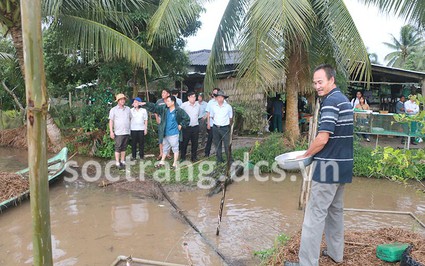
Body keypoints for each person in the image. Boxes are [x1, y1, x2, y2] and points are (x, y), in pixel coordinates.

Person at [285, 64, 354, 266]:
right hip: (342, 167)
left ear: (331, 80)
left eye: (320, 82)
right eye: (315, 82)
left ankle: (306, 263)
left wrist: (304, 155)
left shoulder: (331, 102)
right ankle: (335, 253)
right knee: (335, 213)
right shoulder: (343, 100)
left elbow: (323, 138)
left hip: (327, 169)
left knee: (313, 217)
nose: (317, 86)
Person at [140, 96, 189, 168]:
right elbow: (155, 107)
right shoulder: (164, 109)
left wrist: (181, 125)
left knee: (175, 148)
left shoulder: (178, 110)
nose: (167, 102)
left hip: (174, 133)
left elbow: (187, 118)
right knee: (165, 148)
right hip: (165, 133)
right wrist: (145, 104)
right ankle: (162, 161)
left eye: (168, 101)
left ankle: (175, 163)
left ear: (173, 102)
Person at [209, 90, 233, 164]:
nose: (220, 99)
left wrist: (227, 125)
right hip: (216, 127)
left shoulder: (228, 107)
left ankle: (230, 160)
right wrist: (217, 123)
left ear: (224, 98)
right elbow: (212, 116)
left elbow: (230, 117)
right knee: (217, 144)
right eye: (218, 97)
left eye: (222, 97)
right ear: (216, 98)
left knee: (227, 145)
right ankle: (219, 160)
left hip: (225, 128)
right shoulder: (213, 107)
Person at [109, 93, 131, 169]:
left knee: (124, 147)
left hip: (126, 131)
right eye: (121, 99)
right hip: (118, 132)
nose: (122, 101)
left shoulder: (128, 109)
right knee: (118, 147)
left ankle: (122, 161)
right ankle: (117, 162)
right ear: (118, 101)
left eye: (123, 99)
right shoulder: (113, 110)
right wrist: (111, 131)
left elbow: (130, 118)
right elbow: (111, 121)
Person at [180, 91, 201, 162]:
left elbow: (198, 115)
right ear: (188, 97)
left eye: (194, 97)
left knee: (195, 143)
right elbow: (180, 115)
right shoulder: (184, 105)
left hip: (195, 126)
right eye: (191, 97)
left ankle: (194, 157)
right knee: (184, 143)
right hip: (186, 127)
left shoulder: (198, 105)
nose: (193, 98)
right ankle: (183, 157)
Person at [155, 89, 171, 160]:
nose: (162, 94)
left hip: (169, 122)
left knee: (169, 137)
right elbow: (155, 110)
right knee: (161, 137)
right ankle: (161, 153)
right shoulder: (159, 101)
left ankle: (168, 153)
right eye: (162, 93)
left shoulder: (171, 101)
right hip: (161, 122)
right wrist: (157, 118)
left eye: (164, 93)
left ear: (168, 94)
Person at [205, 88, 220, 157]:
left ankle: (218, 154)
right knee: (210, 139)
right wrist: (208, 123)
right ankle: (206, 153)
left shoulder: (222, 101)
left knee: (218, 139)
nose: (214, 94)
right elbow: (208, 113)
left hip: (219, 124)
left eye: (216, 92)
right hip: (211, 124)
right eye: (213, 92)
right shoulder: (210, 102)